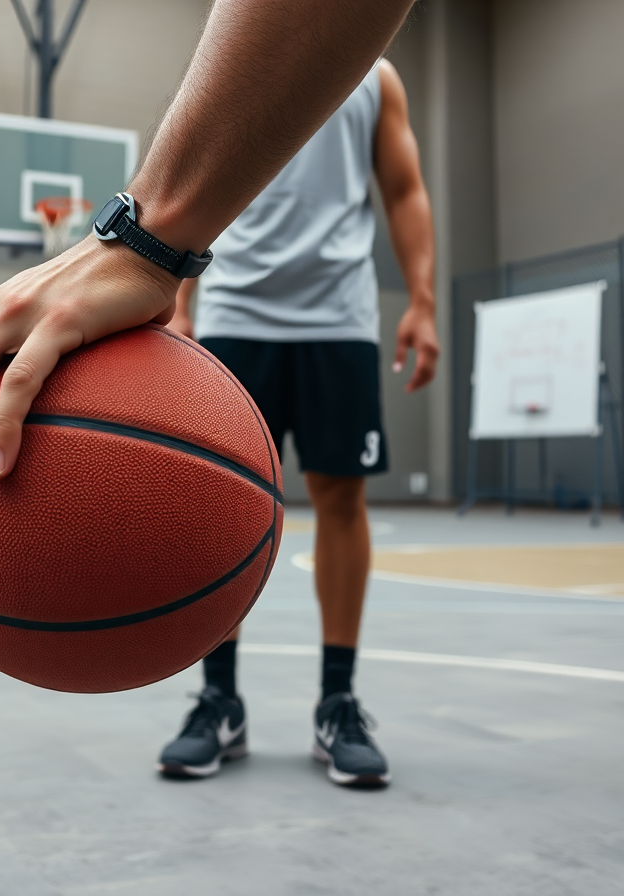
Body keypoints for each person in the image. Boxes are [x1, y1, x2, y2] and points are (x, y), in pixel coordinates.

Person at [157, 59, 437, 786]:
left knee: (342, 497)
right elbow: (187, 182)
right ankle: (220, 698)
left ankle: (337, 700)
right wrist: (180, 305)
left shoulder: (374, 74)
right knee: (217, 505)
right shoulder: (234, 49)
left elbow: (404, 188)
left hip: (338, 317)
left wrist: (423, 300)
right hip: (236, 312)